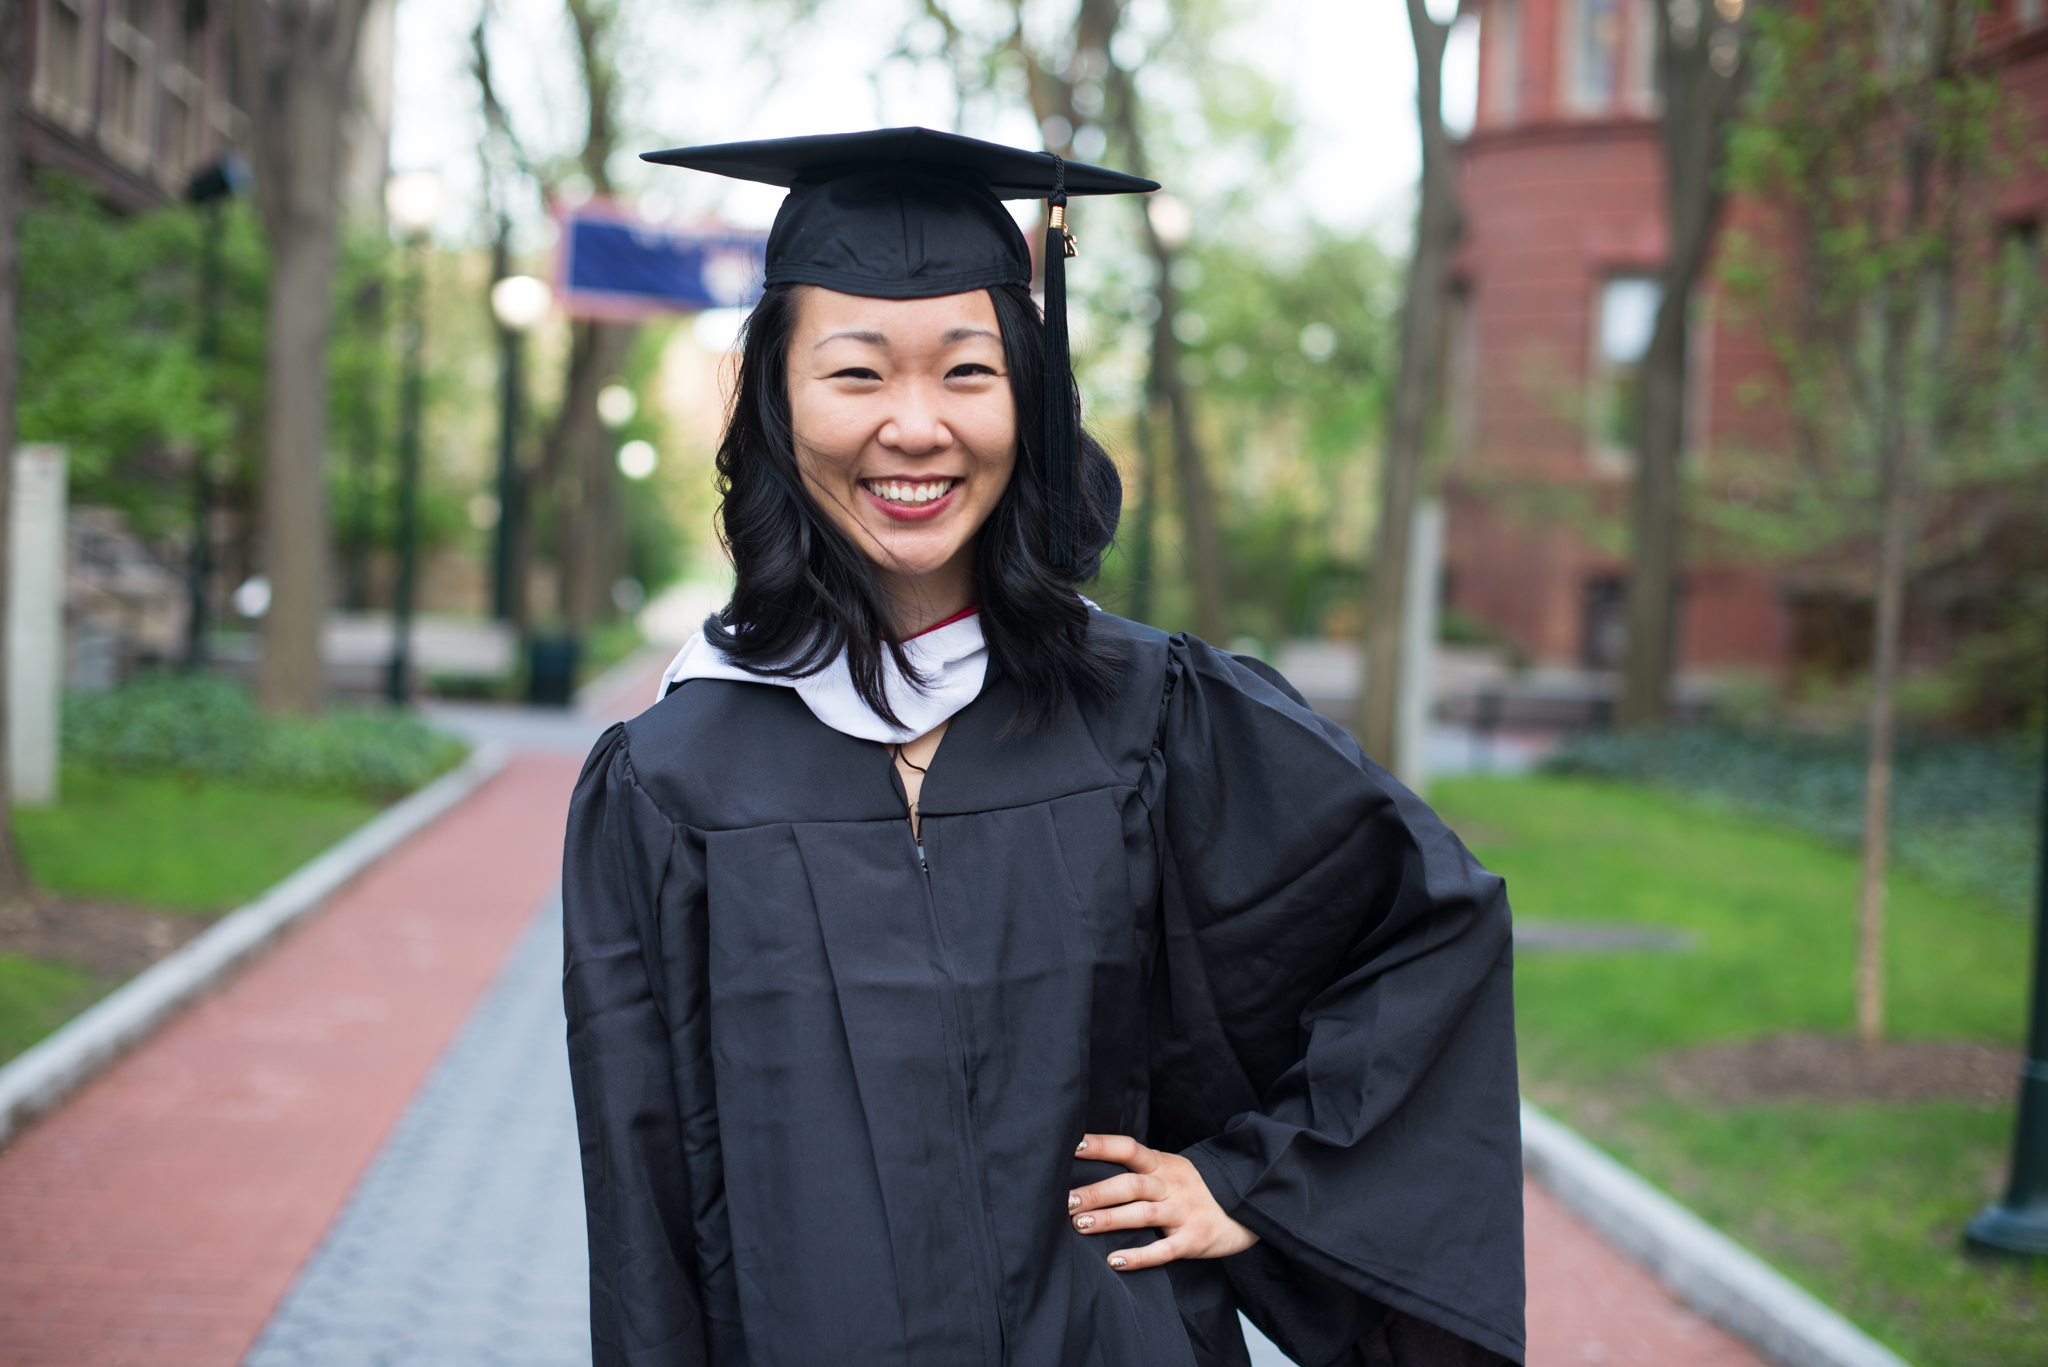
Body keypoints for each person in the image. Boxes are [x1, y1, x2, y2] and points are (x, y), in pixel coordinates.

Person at [562, 127, 1524, 1367]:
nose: (915, 427)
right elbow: (642, 1206)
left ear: (1029, 388)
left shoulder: (1153, 712)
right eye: (855, 374)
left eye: (967, 372)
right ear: (773, 398)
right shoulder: (671, 778)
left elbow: (1424, 923)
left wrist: (1253, 1179)